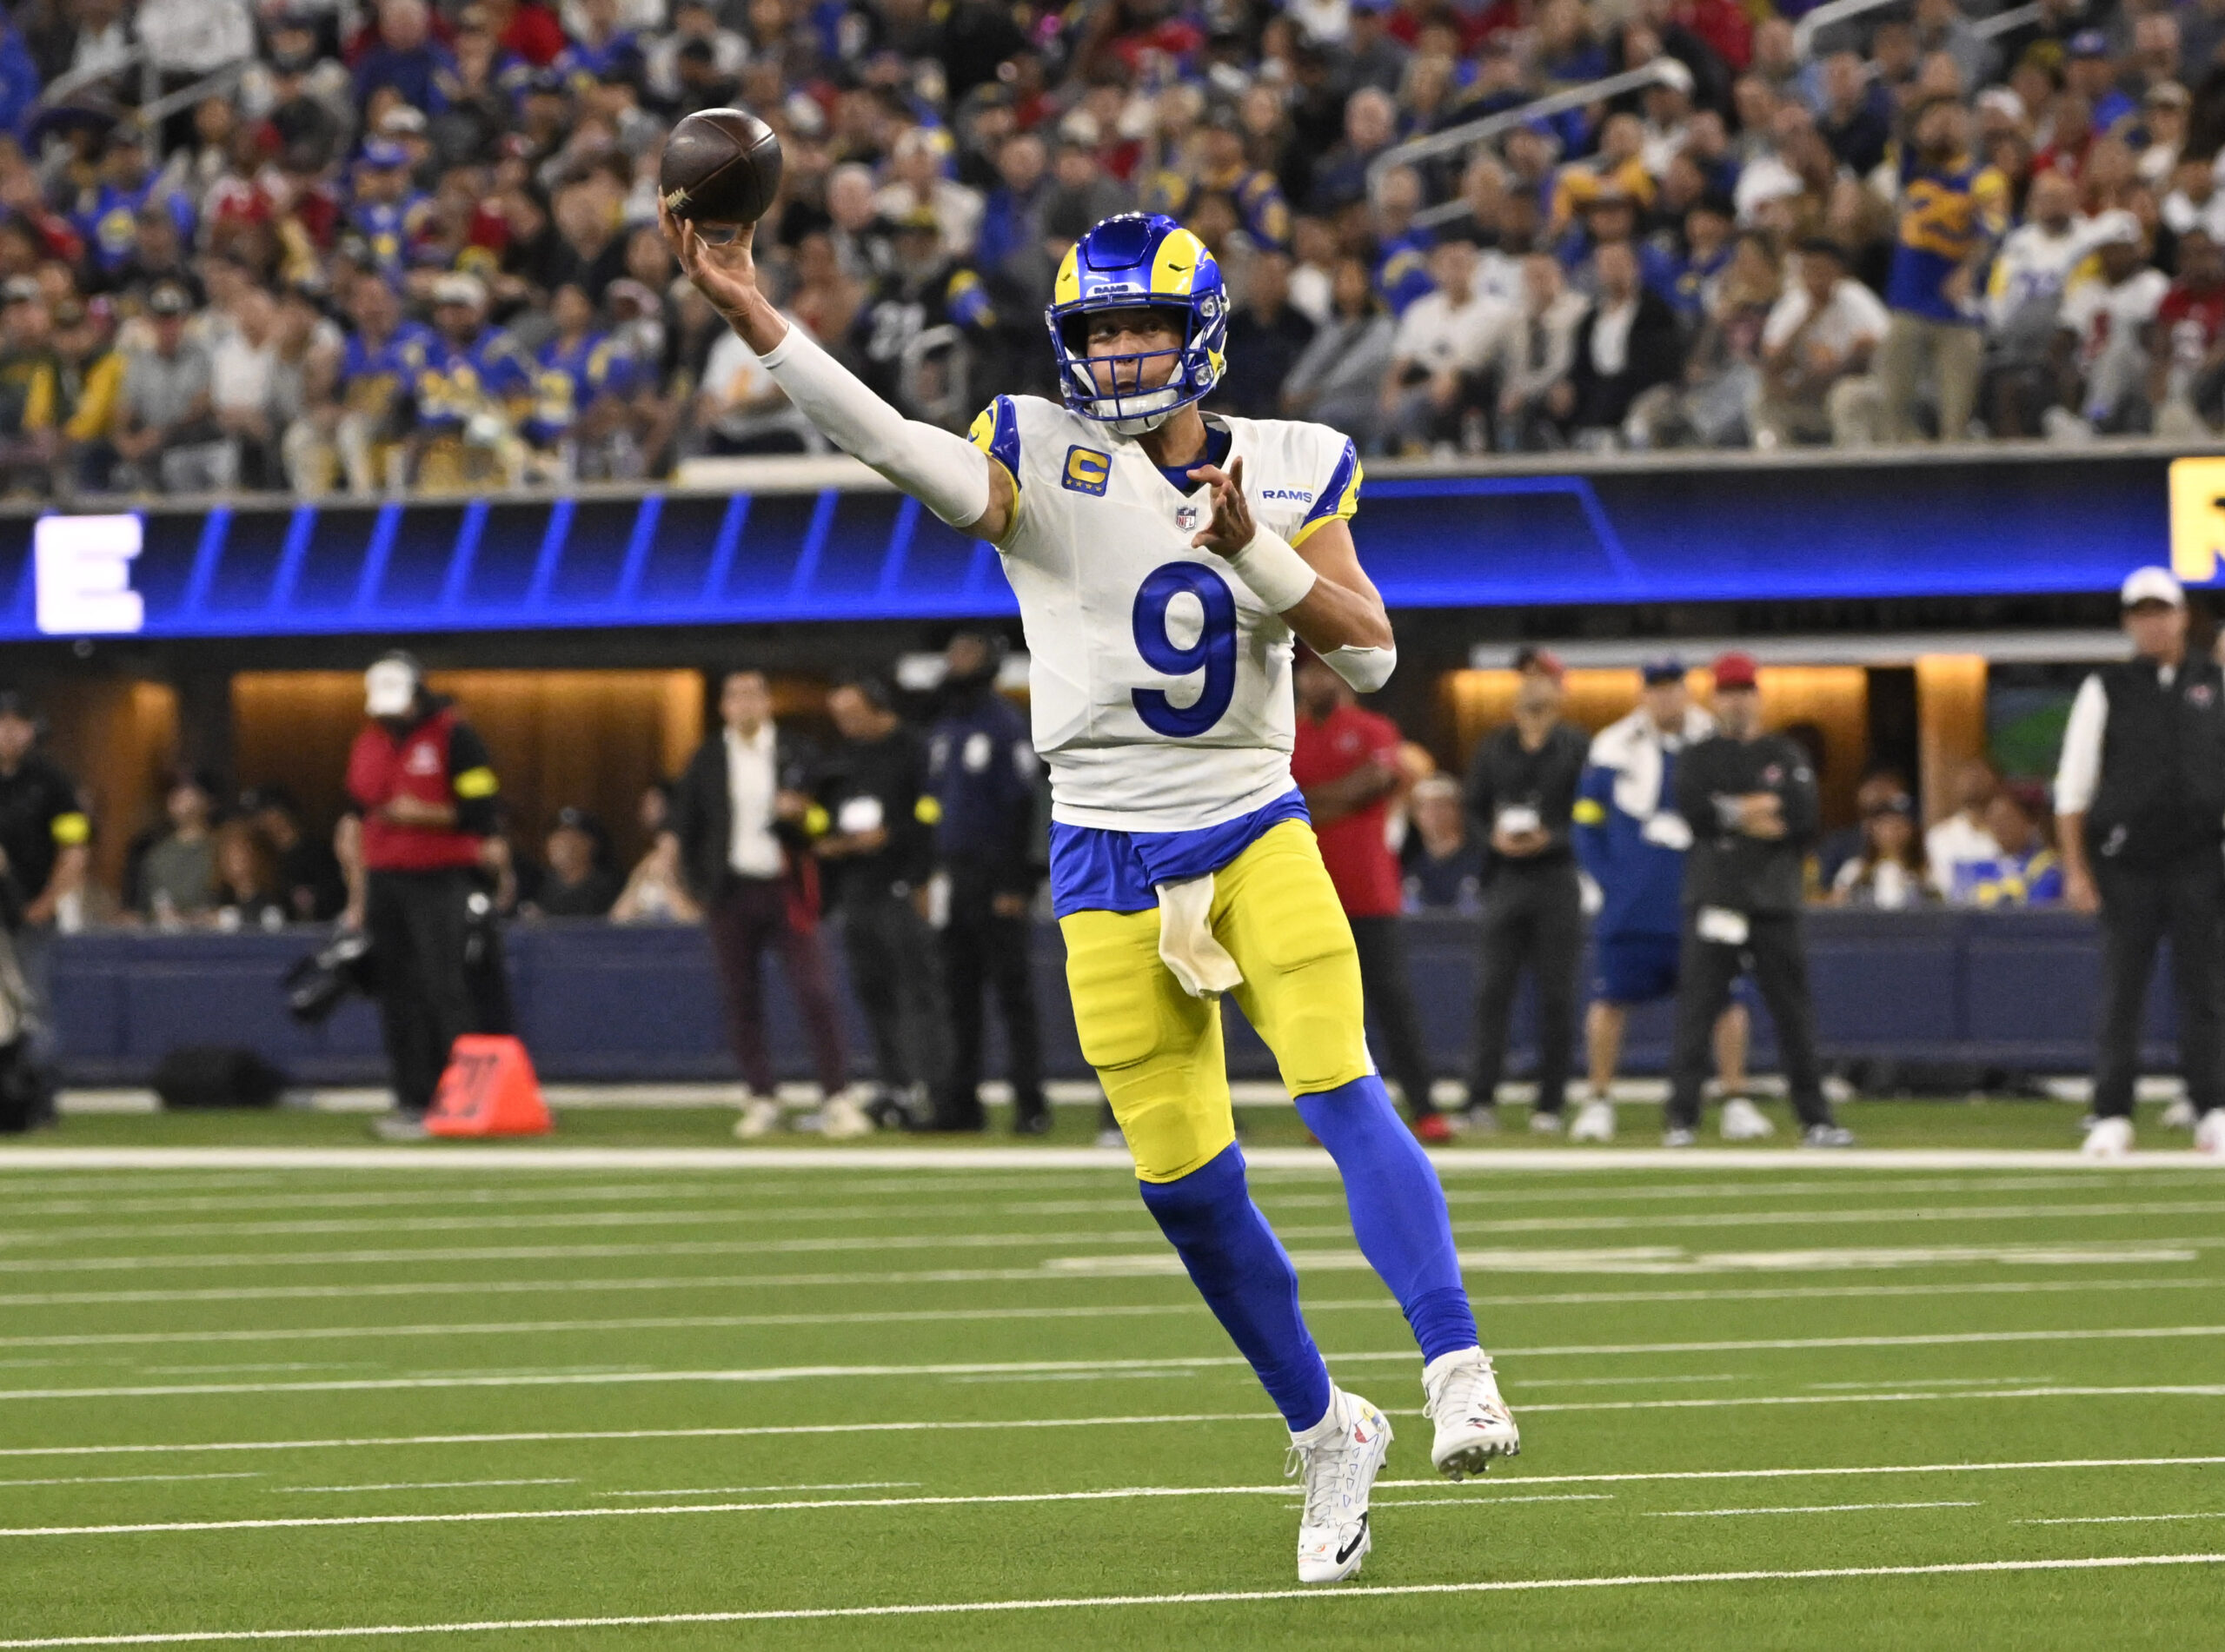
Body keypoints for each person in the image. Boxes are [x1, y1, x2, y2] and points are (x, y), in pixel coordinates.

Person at [665, 202, 1518, 1584]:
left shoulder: (1296, 463)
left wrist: (1252, 546)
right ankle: (1323, 1429)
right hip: (1102, 852)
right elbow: (895, 444)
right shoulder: (1035, 449)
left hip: (1252, 822)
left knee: (1337, 1083)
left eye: (1142, 328)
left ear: (1203, 336)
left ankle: (1455, 1364)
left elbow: (1368, 658)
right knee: (1182, 1186)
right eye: (1099, 331)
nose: (1119, 355)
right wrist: (761, 323)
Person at [2053, 567, 2225, 1158]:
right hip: (2126, 862)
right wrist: (2076, 869)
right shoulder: (2107, 686)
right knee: (2122, 988)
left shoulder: (2215, 682)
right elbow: (2073, 788)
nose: (2153, 623)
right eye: (2141, 613)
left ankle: (2213, 1107)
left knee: (2203, 987)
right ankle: (2112, 1110)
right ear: (2129, 622)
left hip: (2202, 857)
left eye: (2162, 611)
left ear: (2182, 616)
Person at [1666, 652, 1852, 1147]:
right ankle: (1681, 1118)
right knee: (1698, 1009)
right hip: (1716, 896)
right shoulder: (1699, 755)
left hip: (1774, 898)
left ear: (1758, 695)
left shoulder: (1785, 753)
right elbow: (1696, 813)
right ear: (1715, 697)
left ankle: (1816, 1119)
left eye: (1744, 690)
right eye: (1727, 691)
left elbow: (1802, 816)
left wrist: (1733, 809)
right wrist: (1756, 810)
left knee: (1793, 1012)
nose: (1737, 700)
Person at [665, 668, 857, 1139]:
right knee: (740, 997)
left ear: (768, 702)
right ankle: (762, 1097)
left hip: (787, 886)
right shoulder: (708, 758)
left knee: (815, 991)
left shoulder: (797, 752)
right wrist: (691, 888)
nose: (745, 704)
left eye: (753, 695)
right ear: (724, 706)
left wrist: (803, 813)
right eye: (735, 696)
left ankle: (837, 1096)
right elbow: (684, 828)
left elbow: (828, 818)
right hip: (731, 891)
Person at [1571, 659, 1751, 1144]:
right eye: (1657, 689)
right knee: (1611, 997)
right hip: (1635, 901)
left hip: (1701, 893)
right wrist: (1614, 881)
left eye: (1674, 688)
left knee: (1726, 1000)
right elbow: (1586, 821)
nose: (1665, 698)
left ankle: (1735, 1098)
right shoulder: (1612, 745)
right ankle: (1598, 1099)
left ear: (1687, 693)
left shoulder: (1711, 739)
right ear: (1643, 694)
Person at [338, 653, 505, 1141]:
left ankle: (466, 1098)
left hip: (441, 877)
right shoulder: (368, 741)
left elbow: (482, 810)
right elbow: (355, 810)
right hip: (386, 879)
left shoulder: (457, 737)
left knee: (446, 988)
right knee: (398, 993)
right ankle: (412, 1099)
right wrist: (358, 891)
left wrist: (425, 814)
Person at [1291, 653, 1443, 1138]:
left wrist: (1309, 801)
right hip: (1309, 891)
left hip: (1368, 891)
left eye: (1324, 669)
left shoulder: (1373, 728)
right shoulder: (1286, 735)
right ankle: (1327, 1118)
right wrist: (1338, 796)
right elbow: (1286, 796)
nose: (1316, 678)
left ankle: (1425, 1108)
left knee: (1392, 1002)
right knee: (1318, 1012)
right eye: (1309, 669)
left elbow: (1372, 783)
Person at [924, 632, 1046, 1134]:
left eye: (966, 655)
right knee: (958, 995)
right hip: (952, 876)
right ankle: (960, 1105)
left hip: (997, 877)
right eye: (951, 654)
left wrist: (1015, 882)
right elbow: (932, 807)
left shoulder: (1004, 725)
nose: (955, 663)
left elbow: (1023, 805)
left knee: (1012, 995)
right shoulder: (945, 726)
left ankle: (1030, 1105)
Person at [1463, 647, 1588, 1132]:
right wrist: (1491, 838)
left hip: (1556, 878)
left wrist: (1553, 837)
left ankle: (1550, 1103)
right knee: (1492, 992)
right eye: (1526, 677)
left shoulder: (1577, 747)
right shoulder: (1495, 746)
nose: (1532, 685)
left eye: (1543, 677)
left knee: (1557, 993)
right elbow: (1472, 806)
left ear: (1560, 689)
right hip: (1506, 877)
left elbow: (1593, 812)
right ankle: (1480, 1099)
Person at [816, 677, 949, 1130]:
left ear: (877, 706)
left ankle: (930, 1090)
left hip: (901, 884)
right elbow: (824, 814)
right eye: (839, 716)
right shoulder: (846, 756)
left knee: (917, 992)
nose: (845, 724)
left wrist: (903, 850)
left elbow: (932, 813)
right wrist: (830, 841)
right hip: (858, 888)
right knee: (873, 992)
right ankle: (892, 1087)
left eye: (852, 714)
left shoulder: (915, 748)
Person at [0, 689, 88, 1120]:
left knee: (36, 1005)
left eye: (17, 722)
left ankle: (38, 1098)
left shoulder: (51, 782)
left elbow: (74, 848)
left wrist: (48, 899)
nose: (9, 732)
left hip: (31, 910)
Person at [241, 786, 347, 923]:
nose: (257, 822)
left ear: (280, 813)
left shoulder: (318, 853)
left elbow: (332, 900)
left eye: (263, 813)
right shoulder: (264, 858)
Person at [1829, 790, 1933, 908]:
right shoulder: (1854, 871)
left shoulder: (1926, 874)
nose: (1892, 833)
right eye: (1885, 825)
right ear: (1873, 830)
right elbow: (1837, 907)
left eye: (1899, 825)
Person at [137, 771, 217, 925]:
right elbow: (146, 907)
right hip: (166, 941)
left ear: (207, 800)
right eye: (175, 791)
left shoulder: (221, 849)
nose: (179, 797)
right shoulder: (157, 855)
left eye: (188, 791)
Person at [1401, 774, 1482, 913]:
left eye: (1440, 805)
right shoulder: (1406, 863)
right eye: (1424, 806)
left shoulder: (1482, 861)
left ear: (1458, 809)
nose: (1433, 813)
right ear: (1414, 815)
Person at [1926, 757, 2002, 899]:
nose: (1974, 781)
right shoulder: (1940, 835)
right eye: (1968, 775)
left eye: (1980, 775)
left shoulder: (2009, 833)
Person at [529, 807, 620, 918]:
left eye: (571, 837)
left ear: (591, 844)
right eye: (556, 837)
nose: (561, 844)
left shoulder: (609, 888)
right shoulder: (537, 883)